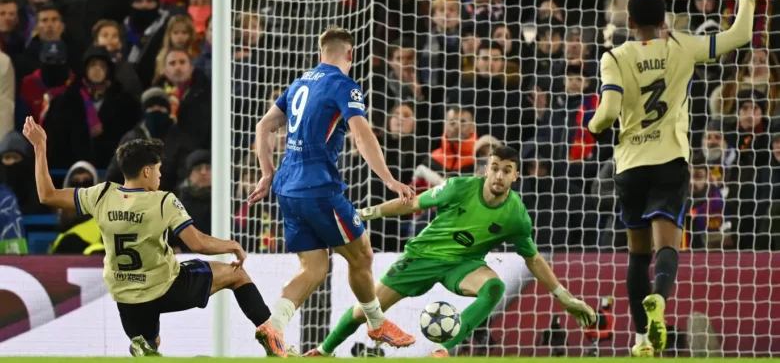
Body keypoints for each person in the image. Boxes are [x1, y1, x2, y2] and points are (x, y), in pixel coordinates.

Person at [585, 0, 755, 357]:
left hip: (630, 165)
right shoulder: (682, 45)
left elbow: (607, 112)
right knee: (668, 247)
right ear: (665, 21)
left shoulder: (614, 56)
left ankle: (642, 339)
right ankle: (659, 298)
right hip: (670, 162)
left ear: (630, 21)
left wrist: (594, 128)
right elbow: (741, 34)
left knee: (636, 254)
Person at [307, 146, 596, 357]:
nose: (499, 175)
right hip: (422, 257)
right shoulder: (459, 187)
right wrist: (364, 214)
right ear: (486, 169)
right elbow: (413, 203)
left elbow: (532, 258)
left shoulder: (516, 216)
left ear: (515, 176)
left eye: (507, 171)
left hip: (464, 265)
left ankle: (443, 350)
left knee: (494, 287)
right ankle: (323, 351)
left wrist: (565, 297)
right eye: (495, 168)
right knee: (366, 310)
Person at [22, 118, 272, 357]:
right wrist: (232, 245)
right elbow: (198, 243)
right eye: (158, 170)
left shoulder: (101, 194)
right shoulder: (163, 201)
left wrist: (40, 147)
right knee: (237, 275)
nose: (160, 176)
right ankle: (272, 339)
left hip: (126, 296)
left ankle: (145, 345)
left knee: (150, 344)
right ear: (146, 171)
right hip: (166, 287)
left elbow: (47, 195)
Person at [248, 26, 416, 357]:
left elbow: (263, 126)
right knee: (362, 255)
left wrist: (267, 174)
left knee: (314, 267)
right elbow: (362, 134)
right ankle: (377, 322)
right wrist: (389, 180)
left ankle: (273, 326)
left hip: (287, 188)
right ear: (350, 54)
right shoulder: (344, 85)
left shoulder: (299, 83)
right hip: (318, 187)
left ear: (320, 53)